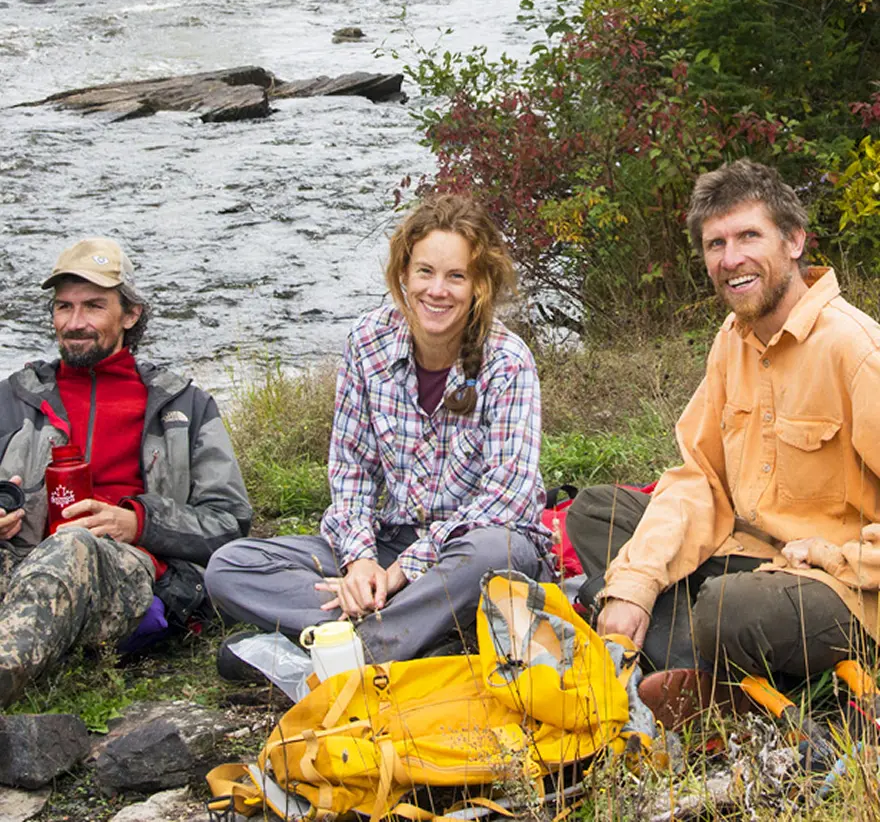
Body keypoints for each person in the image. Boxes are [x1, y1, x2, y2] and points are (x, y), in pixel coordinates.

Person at [567, 160, 880, 688]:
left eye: (749, 236)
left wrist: (837, 558)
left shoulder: (855, 350)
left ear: (795, 240)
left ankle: (676, 650)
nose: (731, 259)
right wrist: (638, 581)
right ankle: (687, 650)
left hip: (838, 586)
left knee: (731, 611)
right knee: (596, 513)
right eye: (716, 244)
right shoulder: (732, 340)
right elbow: (700, 480)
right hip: (748, 554)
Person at [206, 194, 554, 664]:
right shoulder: (367, 343)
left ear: (479, 286)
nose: (438, 290)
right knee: (230, 566)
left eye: (456, 276)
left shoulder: (509, 363)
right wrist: (361, 561)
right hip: (389, 541)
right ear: (404, 276)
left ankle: (357, 646)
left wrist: (403, 573)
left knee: (494, 556)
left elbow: (504, 499)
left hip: (469, 549)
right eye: (425, 272)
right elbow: (351, 470)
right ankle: (411, 632)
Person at [0, 237, 252, 707]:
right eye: (64, 307)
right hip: (20, 562)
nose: (75, 323)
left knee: (73, 545)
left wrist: (140, 522)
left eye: (94, 306)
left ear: (130, 314)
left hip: (125, 573)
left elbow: (230, 523)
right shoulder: (13, 398)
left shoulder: (183, 406)